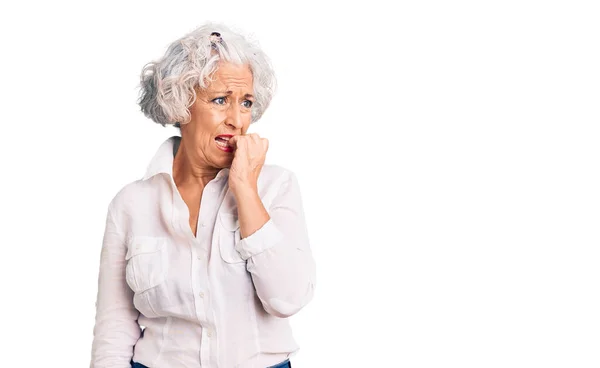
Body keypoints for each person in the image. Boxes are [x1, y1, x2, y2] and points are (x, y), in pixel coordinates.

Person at [90, 22, 316, 368]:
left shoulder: (276, 186)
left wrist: (245, 190)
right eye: (220, 100)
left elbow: (287, 299)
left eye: (246, 103)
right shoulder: (131, 204)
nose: (237, 120)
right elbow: (114, 327)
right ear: (180, 104)